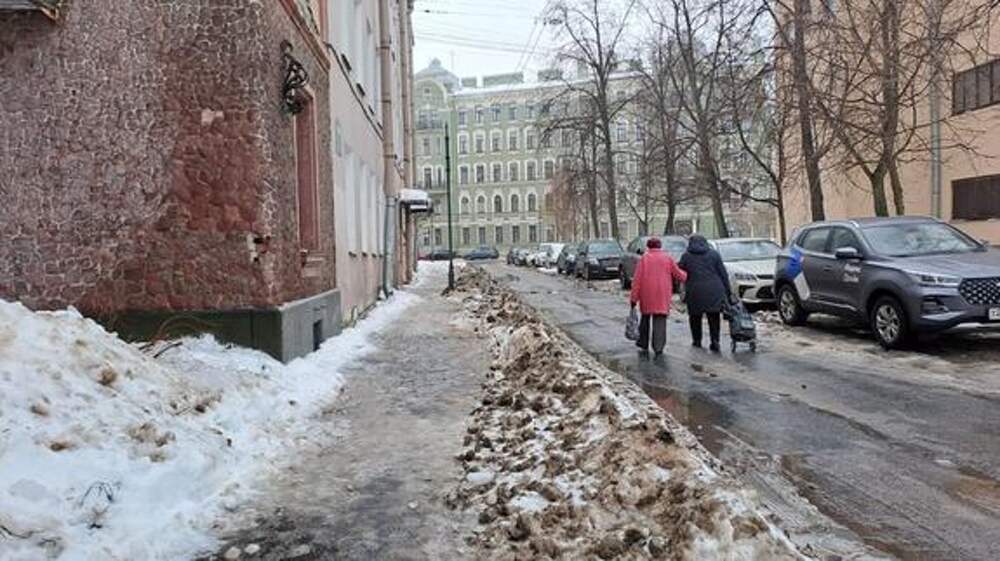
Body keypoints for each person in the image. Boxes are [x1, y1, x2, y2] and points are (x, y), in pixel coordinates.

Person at [629, 237, 688, 357]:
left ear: (648, 246)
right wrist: (688, 274)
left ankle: (643, 342)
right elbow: (679, 275)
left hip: (646, 293)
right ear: (660, 246)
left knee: (645, 317)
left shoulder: (644, 259)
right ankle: (658, 346)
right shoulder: (667, 258)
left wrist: (633, 299)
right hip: (662, 293)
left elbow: (637, 280)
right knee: (660, 319)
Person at [679, 235, 732, 352]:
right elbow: (723, 274)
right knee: (714, 316)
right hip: (714, 289)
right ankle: (715, 341)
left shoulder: (686, 256)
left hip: (695, 290)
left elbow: (680, 272)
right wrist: (728, 292)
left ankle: (697, 340)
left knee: (695, 317)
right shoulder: (714, 254)